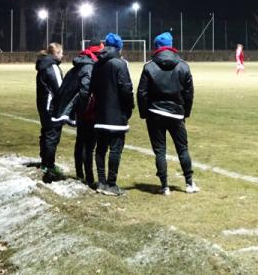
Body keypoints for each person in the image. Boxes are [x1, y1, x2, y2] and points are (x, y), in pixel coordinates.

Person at [138, 32, 198, 195]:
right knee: (183, 149)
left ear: (156, 46)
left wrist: (144, 113)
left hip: (155, 114)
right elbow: (189, 93)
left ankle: (164, 186)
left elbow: (142, 93)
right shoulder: (183, 65)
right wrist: (185, 113)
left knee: (160, 151)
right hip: (176, 114)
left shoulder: (149, 66)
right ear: (171, 45)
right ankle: (189, 183)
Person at [52, 41, 103, 187]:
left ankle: (80, 173)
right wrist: (85, 108)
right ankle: (89, 178)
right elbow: (85, 91)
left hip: (81, 112)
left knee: (80, 142)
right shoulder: (89, 66)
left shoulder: (81, 63)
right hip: (88, 112)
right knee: (88, 145)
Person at [90, 33, 134, 196]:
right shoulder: (120, 64)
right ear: (119, 48)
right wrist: (129, 108)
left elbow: (92, 88)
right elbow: (126, 89)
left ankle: (101, 183)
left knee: (100, 149)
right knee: (115, 149)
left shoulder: (97, 63)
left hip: (100, 115)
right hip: (116, 116)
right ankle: (111, 184)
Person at [35, 43, 64, 182]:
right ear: (55, 54)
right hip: (52, 107)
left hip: (43, 106)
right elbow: (60, 89)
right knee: (52, 135)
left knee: (46, 133)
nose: (62, 55)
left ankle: (44, 162)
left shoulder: (42, 66)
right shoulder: (52, 68)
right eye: (60, 53)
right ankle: (49, 165)